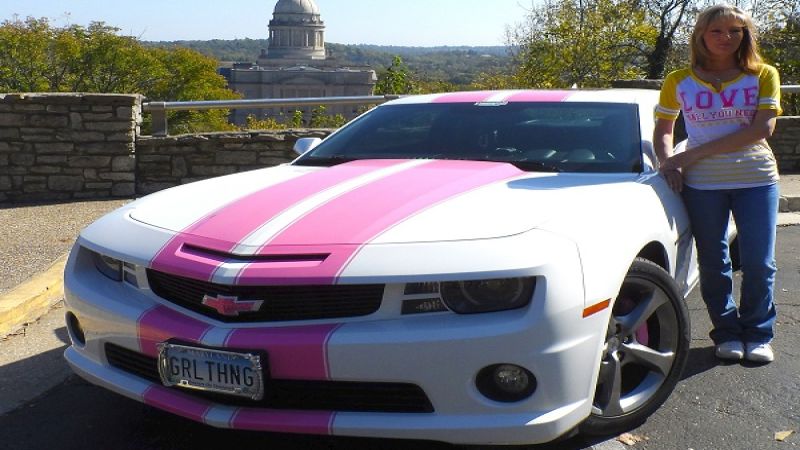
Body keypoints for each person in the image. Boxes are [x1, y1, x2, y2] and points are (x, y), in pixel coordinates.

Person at [653, 4, 781, 363]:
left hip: (757, 179)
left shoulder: (763, 74)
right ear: (701, 36)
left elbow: (762, 129)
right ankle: (726, 332)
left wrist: (686, 157)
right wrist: (668, 164)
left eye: (735, 31)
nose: (727, 38)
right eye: (717, 31)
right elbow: (664, 129)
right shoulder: (678, 80)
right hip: (703, 185)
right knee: (713, 262)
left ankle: (757, 332)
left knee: (759, 262)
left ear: (745, 36)